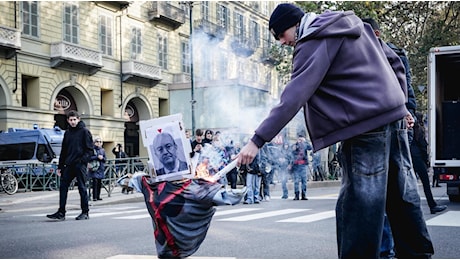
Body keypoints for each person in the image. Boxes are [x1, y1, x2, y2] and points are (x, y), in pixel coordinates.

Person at [236, 4, 434, 258]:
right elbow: (395, 61)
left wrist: (257, 140)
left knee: (359, 206)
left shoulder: (313, 40)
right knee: (401, 196)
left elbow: (294, 96)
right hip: (392, 121)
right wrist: (401, 104)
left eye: (280, 35)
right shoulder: (357, 26)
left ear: (293, 24)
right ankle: (418, 254)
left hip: (363, 128)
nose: (282, 42)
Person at [47, 110, 94, 221]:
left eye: (74, 120)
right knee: (63, 187)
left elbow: (90, 150)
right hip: (68, 164)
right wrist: (60, 166)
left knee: (82, 188)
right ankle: (61, 212)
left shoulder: (84, 132)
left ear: (78, 119)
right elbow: (64, 151)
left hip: (79, 165)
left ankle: (85, 212)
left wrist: (82, 161)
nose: (73, 122)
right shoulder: (67, 133)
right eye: (71, 120)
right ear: (68, 120)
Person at [291, 135, 312, 200]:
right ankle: (296, 195)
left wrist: (305, 142)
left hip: (303, 165)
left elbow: (310, 148)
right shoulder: (295, 145)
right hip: (296, 165)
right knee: (296, 181)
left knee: (304, 181)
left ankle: (304, 194)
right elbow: (292, 152)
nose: (300, 141)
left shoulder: (305, 145)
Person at [88, 136, 106, 201]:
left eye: (100, 142)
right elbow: (89, 158)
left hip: (100, 168)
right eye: (97, 141)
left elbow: (105, 159)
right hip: (94, 168)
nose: (98, 143)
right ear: (94, 142)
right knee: (95, 183)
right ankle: (94, 197)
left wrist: (102, 158)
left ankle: (98, 196)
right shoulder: (92, 149)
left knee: (99, 183)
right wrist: (97, 157)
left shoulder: (102, 150)